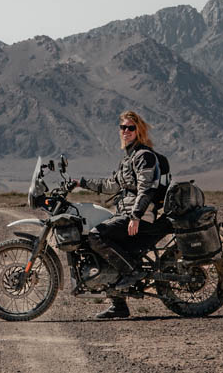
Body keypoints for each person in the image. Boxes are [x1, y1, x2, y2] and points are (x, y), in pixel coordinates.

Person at [75, 110, 163, 319]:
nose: (126, 131)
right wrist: (81, 183)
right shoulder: (128, 158)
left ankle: (132, 272)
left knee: (97, 235)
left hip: (140, 215)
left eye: (130, 128)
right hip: (126, 212)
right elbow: (109, 185)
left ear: (138, 130)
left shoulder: (144, 156)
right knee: (92, 242)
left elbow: (146, 188)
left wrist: (136, 216)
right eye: (123, 127)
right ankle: (119, 305)